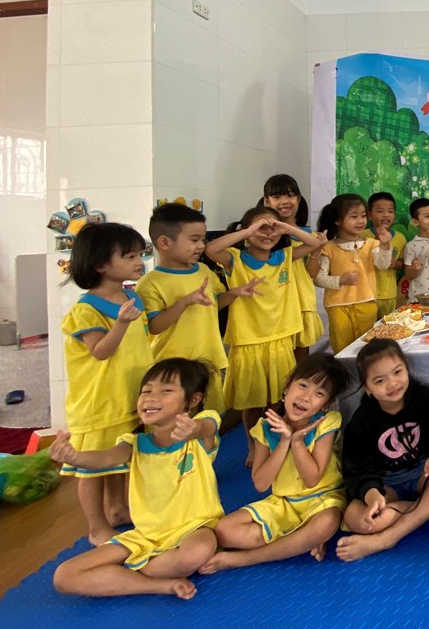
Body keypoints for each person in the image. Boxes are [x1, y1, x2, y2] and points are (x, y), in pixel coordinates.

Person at [48, 358, 222, 599]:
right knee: (65, 576)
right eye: (146, 391)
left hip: (194, 528)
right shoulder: (134, 444)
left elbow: (206, 427)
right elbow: (105, 458)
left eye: (166, 391)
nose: (151, 397)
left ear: (193, 400)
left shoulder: (199, 438)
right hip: (145, 537)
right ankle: (160, 584)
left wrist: (194, 428)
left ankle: (130, 573)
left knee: (198, 551)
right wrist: (74, 457)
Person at [200, 354, 352, 572]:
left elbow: (311, 479)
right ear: (288, 386)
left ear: (325, 404)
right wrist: (284, 441)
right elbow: (261, 484)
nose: (306, 397)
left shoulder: (327, 422)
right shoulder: (264, 428)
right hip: (283, 502)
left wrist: (298, 442)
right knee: (225, 531)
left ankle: (245, 559)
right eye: (303, 385)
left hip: (323, 499)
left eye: (319, 394)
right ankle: (304, 539)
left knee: (327, 522)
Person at [60, 222, 155, 546]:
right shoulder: (86, 309)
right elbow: (100, 351)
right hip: (99, 402)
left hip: (129, 394)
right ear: (101, 264)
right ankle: (96, 526)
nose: (139, 261)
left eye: (139, 254)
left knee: (122, 457)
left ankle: (118, 509)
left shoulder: (132, 296)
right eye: (129, 256)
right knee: (92, 468)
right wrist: (121, 323)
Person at [205, 206, 323, 466]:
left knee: (280, 397)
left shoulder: (284, 256)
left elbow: (315, 244)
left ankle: (272, 439)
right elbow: (211, 249)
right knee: (251, 402)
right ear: (247, 231)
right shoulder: (235, 259)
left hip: (280, 339)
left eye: (273, 228)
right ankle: (251, 443)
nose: (268, 233)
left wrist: (286, 228)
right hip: (249, 341)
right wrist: (248, 231)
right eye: (261, 228)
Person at [336, 338, 429, 561]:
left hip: (423, 475)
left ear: (407, 368)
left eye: (397, 372)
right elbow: (355, 471)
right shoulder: (361, 422)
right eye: (379, 380)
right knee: (355, 518)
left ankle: (388, 538)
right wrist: (372, 494)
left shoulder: (425, 398)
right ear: (367, 388)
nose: (392, 384)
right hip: (387, 485)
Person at [138, 203, 259, 414]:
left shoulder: (202, 270)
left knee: (209, 418)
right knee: (173, 422)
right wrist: (184, 302)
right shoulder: (150, 283)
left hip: (208, 360)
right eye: (194, 240)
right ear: (164, 242)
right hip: (173, 368)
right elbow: (155, 326)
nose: (201, 246)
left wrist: (235, 293)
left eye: (203, 240)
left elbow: (214, 304)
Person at [312, 194, 394, 350]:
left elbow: (383, 265)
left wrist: (385, 246)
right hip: (337, 306)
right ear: (338, 220)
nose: (361, 221)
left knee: (366, 348)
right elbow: (318, 278)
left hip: (367, 303)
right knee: (342, 349)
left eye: (363, 216)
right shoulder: (328, 247)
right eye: (354, 216)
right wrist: (340, 280)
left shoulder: (372, 244)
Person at [262, 174, 324, 360]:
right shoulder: (263, 235)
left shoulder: (309, 235)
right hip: (274, 305)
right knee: (277, 358)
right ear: (266, 201)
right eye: (277, 197)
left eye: (290, 195)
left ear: (298, 199)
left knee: (300, 358)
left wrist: (317, 250)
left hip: (301, 302)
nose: (284, 201)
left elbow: (312, 273)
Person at [366, 192, 407, 319]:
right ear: (369, 215)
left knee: (388, 325)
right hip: (367, 295)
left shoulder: (400, 238)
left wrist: (397, 264)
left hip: (390, 294)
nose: (386, 215)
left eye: (390, 211)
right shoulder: (363, 236)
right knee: (368, 327)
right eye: (380, 211)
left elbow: (403, 263)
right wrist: (377, 240)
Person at [403, 197, 429, 302]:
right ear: (415, 221)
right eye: (427, 216)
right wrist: (414, 268)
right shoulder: (411, 246)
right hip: (418, 299)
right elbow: (409, 275)